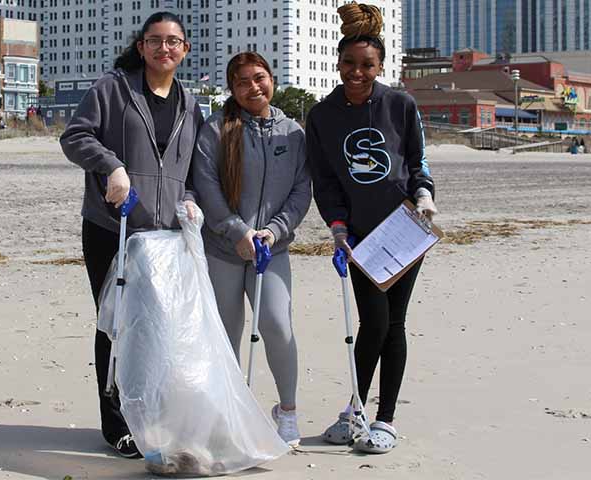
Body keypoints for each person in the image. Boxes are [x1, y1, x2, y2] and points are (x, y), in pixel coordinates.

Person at [60, 11, 202, 458]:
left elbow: (194, 167)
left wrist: (193, 198)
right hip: (112, 227)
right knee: (116, 322)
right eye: (154, 41)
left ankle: (150, 412)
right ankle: (116, 423)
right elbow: (75, 136)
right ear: (141, 47)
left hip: (164, 236)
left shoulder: (191, 103)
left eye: (173, 42)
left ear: (185, 49)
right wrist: (113, 166)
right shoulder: (113, 88)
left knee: (155, 328)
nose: (164, 49)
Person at [306, 3, 436, 454]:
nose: (357, 73)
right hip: (360, 237)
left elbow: (417, 160)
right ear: (337, 63)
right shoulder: (322, 116)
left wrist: (424, 195)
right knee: (373, 323)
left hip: (405, 228)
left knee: (393, 324)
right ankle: (357, 408)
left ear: (381, 67)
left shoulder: (400, 103)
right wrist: (338, 227)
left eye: (367, 65)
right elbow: (324, 179)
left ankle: (383, 419)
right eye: (349, 64)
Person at [192, 52, 312, 446]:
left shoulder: (292, 132)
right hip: (224, 249)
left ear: (272, 79)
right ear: (232, 88)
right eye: (242, 82)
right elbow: (206, 186)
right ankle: (229, 412)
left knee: (277, 325)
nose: (253, 87)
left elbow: (300, 192)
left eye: (259, 78)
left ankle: (288, 412)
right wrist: (237, 231)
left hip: (271, 250)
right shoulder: (215, 129)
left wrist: (273, 233)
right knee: (226, 334)